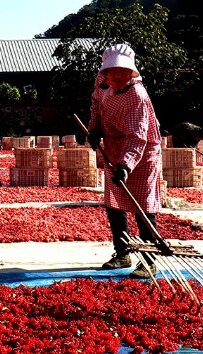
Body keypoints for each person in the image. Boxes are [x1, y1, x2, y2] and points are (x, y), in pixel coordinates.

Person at [87, 43, 162, 279]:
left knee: (143, 204)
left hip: (143, 151)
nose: (118, 75)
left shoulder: (137, 96)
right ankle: (122, 252)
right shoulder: (102, 87)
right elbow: (95, 106)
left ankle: (149, 260)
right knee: (114, 202)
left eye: (123, 71)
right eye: (113, 71)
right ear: (105, 72)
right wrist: (94, 129)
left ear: (131, 72)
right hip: (113, 146)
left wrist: (125, 165)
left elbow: (138, 136)